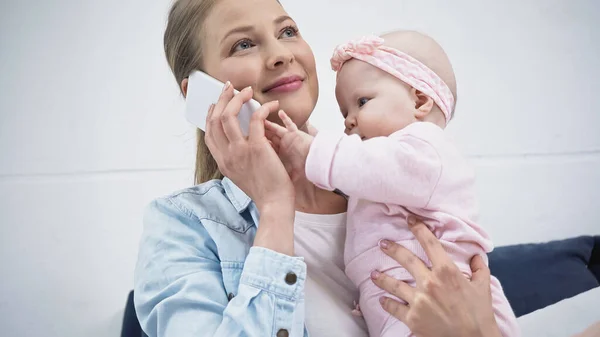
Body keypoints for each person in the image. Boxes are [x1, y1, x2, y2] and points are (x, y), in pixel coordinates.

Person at [133, 0, 540, 336]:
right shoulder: (182, 227)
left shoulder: (392, 178)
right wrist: (275, 208)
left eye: (288, 31)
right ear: (199, 94)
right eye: (243, 44)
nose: (281, 54)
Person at [263, 32, 520, 336]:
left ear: (420, 100)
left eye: (362, 102)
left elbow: (367, 166)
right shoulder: (390, 169)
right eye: (345, 112)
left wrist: (310, 150)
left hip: (448, 303)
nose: (348, 120)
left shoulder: (427, 149)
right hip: (408, 303)